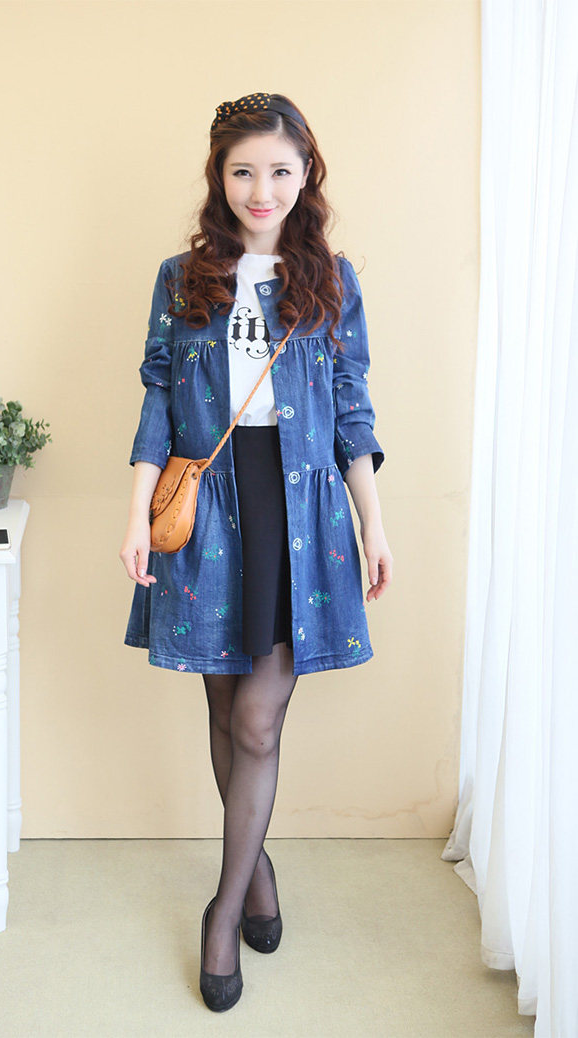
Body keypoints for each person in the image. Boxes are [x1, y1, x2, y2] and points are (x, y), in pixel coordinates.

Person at [119, 92, 393, 1012]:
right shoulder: (182, 277)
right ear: (219, 177)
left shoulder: (331, 280)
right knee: (222, 701)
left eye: (279, 169)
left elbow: (352, 408)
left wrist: (373, 523)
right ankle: (259, 871)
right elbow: (158, 399)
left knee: (258, 723)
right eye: (243, 171)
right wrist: (135, 516)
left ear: (306, 174)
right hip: (207, 505)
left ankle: (224, 905)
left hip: (296, 507)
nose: (260, 188)